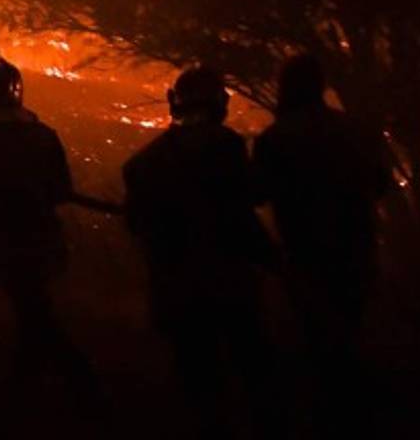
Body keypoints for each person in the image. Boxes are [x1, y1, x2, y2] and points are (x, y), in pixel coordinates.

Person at [123, 66, 280, 438]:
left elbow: (136, 224)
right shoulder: (225, 146)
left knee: (199, 382)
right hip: (227, 282)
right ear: (219, 104)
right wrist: (273, 259)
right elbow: (241, 210)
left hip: (175, 288)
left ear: (174, 102)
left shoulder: (143, 163)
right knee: (253, 370)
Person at [252, 54, 391, 430]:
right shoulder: (356, 131)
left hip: (304, 255)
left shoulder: (275, 139)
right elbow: (381, 185)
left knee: (312, 343)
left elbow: (256, 192)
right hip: (355, 252)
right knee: (346, 337)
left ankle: (321, 418)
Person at [0, 58, 95, 389]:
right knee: (34, 311)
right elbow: (60, 190)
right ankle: (63, 386)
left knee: (32, 313)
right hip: (41, 241)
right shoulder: (41, 135)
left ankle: (64, 385)